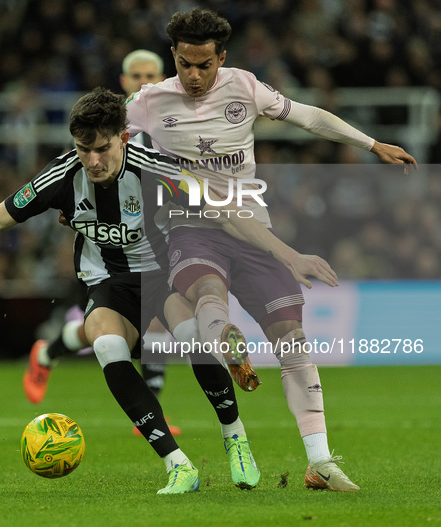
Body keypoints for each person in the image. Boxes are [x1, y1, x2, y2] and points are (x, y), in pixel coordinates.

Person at [0, 87, 339, 494]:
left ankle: (234, 435)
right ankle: (178, 465)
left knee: (194, 336)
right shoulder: (60, 176)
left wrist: (287, 255)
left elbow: (226, 209)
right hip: (106, 281)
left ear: (124, 138)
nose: (92, 160)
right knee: (108, 345)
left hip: (161, 274)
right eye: (81, 149)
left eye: (102, 149)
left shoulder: (156, 166)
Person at [125, 7, 418, 492]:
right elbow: (100, 146)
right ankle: (227, 342)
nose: (194, 76)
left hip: (250, 226)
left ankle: (320, 462)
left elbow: (309, 117)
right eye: (184, 64)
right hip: (187, 225)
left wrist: (371, 144)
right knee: (205, 288)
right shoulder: (148, 102)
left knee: (292, 340)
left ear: (222, 57)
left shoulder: (245, 86)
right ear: (172, 56)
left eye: (205, 65)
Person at [24, 49, 182, 437]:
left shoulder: (175, 129)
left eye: (152, 75)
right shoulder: (105, 132)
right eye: (136, 76)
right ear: (124, 82)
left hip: (152, 249)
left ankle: (48, 353)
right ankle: (47, 352)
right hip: (104, 257)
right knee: (105, 333)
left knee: (150, 325)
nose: (145, 82)